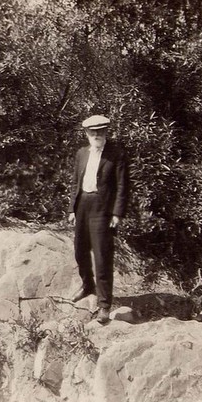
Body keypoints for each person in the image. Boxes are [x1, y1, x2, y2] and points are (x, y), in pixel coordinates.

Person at [68, 115, 129, 324]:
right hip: (82, 205)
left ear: (106, 132)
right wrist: (71, 209)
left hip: (102, 209)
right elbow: (75, 182)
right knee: (80, 250)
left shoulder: (117, 155)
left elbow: (122, 187)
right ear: (86, 133)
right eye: (93, 132)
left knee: (102, 257)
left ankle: (104, 305)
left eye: (101, 131)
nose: (97, 136)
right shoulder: (81, 153)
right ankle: (87, 286)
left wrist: (117, 214)